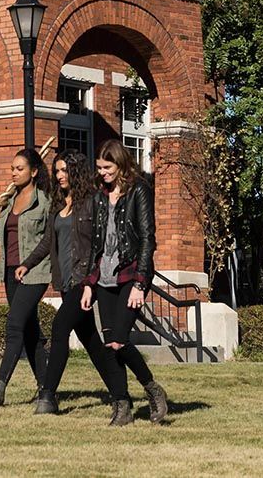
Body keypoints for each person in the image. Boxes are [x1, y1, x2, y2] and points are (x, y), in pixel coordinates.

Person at [20, 151, 124, 417]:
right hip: (66, 282)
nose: (59, 176)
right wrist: (27, 263)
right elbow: (47, 242)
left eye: (64, 170)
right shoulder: (59, 205)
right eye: (56, 171)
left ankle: (47, 396)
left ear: (76, 172)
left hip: (84, 281)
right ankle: (120, 395)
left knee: (59, 328)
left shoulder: (90, 203)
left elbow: (100, 245)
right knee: (91, 341)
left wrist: (91, 277)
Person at [81, 139, 168, 426]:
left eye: (107, 167)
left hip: (131, 275)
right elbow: (95, 245)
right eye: (99, 168)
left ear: (120, 165)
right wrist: (89, 283)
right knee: (110, 344)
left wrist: (141, 283)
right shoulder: (99, 197)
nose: (102, 173)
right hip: (104, 279)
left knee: (119, 340)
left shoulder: (139, 191)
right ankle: (122, 406)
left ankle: (153, 389)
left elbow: (147, 239)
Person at [0, 149, 52, 406]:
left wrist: (29, 263)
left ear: (34, 172)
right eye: (13, 169)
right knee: (29, 331)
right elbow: (2, 235)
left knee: (15, 324)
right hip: (10, 271)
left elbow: (51, 239)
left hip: (35, 271)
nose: (14, 173)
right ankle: (47, 390)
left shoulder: (45, 202)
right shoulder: (9, 201)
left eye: (20, 169)